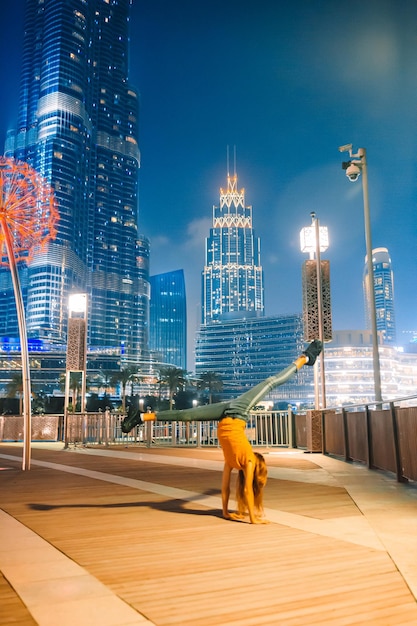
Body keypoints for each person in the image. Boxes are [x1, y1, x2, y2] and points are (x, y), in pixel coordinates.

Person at [122, 339, 322, 524]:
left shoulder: (241, 460)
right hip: (234, 413)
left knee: (187, 414)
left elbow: (230, 488)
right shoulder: (238, 461)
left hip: (231, 413)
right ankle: (305, 357)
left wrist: (233, 514)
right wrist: (242, 516)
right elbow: (236, 488)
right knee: (268, 384)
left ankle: (139, 417)